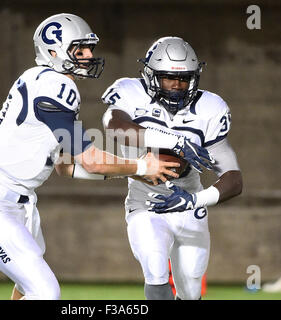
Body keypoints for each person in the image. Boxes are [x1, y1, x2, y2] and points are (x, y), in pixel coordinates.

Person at [0, 15, 207, 300]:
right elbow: (89, 159)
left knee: (28, 285)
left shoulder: (39, 79)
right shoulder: (56, 87)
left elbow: (67, 166)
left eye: (89, 48)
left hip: (15, 200)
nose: (89, 56)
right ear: (53, 51)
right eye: (80, 50)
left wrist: (135, 172)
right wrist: (141, 164)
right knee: (45, 292)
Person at [102, 36, 243, 300]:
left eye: (184, 79)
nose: (177, 86)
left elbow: (234, 179)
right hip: (145, 202)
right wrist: (176, 142)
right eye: (169, 78)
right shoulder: (131, 93)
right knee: (155, 270)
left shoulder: (210, 109)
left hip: (189, 206)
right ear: (151, 76)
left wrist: (194, 200)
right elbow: (115, 126)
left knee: (190, 289)